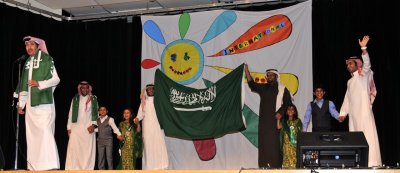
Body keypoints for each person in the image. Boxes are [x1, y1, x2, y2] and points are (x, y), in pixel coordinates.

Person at [16, 36, 60, 170]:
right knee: (32, 135)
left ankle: (51, 165)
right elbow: (24, 86)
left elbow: (56, 80)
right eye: (26, 45)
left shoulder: (47, 59)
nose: (28, 47)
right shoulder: (27, 62)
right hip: (30, 106)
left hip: (44, 104)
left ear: (38, 45)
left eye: (31, 44)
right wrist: (20, 104)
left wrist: (39, 83)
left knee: (45, 132)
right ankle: (34, 166)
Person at [338, 35, 381, 167]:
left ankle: (372, 163)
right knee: (355, 138)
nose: (348, 66)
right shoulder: (350, 81)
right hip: (354, 116)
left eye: (350, 63)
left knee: (368, 137)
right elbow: (347, 98)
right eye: (347, 64)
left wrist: (363, 48)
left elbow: (367, 64)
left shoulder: (364, 75)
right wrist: (343, 113)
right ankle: (359, 164)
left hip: (364, 114)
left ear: (357, 64)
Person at [244, 64, 292, 168]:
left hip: (276, 122)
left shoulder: (283, 89)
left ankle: (276, 167)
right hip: (264, 123)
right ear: (266, 77)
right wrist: (246, 71)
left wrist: (280, 112)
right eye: (268, 75)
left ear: (276, 76)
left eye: (272, 75)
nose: (270, 77)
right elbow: (251, 84)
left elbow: (288, 103)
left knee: (275, 145)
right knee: (264, 145)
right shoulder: (263, 88)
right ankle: (263, 167)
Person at [134, 84, 169, 170]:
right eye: (148, 89)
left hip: (157, 127)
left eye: (152, 89)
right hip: (147, 128)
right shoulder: (144, 103)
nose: (150, 90)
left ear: (154, 90)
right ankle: (150, 167)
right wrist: (137, 119)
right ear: (146, 91)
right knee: (148, 146)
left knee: (159, 144)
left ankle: (162, 166)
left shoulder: (159, 101)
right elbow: (140, 114)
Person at [65, 81, 98, 170]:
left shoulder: (94, 99)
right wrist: (68, 127)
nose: (84, 89)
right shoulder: (75, 99)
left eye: (86, 87)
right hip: (76, 127)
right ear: (80, 89)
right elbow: (71, 113)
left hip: (88, 127)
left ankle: (87, 169)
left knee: (87, 150)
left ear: (89, 88)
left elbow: (96, 114)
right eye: (82, 88)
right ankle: (72, 169)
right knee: (74, 148)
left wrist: (94, 125)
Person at [277, 104, 302, 169]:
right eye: (289, 109)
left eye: (292, 109)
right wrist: (278, 119)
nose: (290, 110)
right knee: (287, 159)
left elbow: (300, 132)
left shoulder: (298, 121)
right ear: (286, 112)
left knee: (295, 159)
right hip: (286, 144)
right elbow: (278, 127)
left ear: (294, 111)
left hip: (295, 144)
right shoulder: (284, 121)